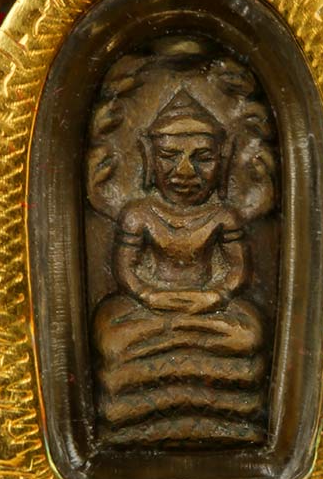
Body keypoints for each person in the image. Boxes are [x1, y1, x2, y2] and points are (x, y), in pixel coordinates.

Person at [92, 89, 266, 448]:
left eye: (203, 158)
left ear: (223, 160)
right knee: (112, 338)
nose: (185, 172)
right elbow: (127, 272)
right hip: (149, 308)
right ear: (148, 157)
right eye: (169, 156)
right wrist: (149, 296)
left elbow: (237, 272)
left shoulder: (222, 216)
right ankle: (135, 413)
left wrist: (214, 297)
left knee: (248, 333)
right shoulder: (139, 214)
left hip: (209, 306)